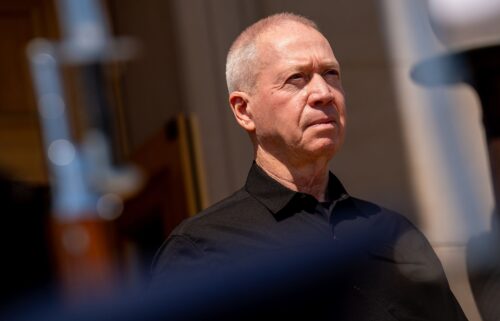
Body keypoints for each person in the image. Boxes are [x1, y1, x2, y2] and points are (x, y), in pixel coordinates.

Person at [151, 13, 468, 320]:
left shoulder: (394, 233)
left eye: (331, 74)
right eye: (296, 79)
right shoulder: (201, 250)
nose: (323, 93)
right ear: (244, 110)